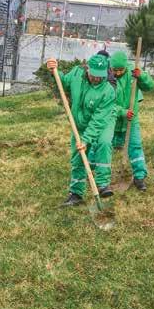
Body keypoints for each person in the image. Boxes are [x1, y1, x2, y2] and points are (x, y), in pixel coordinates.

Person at [47, 55, 116, 206]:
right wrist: (55, 72)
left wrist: (86, 140)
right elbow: (64, 83)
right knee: (78, 156)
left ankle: (102, 184)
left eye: (100, 76)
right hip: (79, 123)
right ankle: (76, 194)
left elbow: (98, 120)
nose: (97, 79)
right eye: (94, 75)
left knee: (103, 143)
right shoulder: (77, 73)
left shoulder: (108, 90)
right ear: (88, 69)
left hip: (102, 122)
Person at [110, 51, 154, 191]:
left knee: (135, 147)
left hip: (131, 119)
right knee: (101, 146)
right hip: (111, 119)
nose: (117, 73)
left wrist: (141, 76)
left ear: (125, 66)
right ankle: (97, 175)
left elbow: (150, 86)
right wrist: (122, 112)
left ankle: (139, 177)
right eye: (114, 70)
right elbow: (105, 103)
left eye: (120, 70)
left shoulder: (133, 72)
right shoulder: (106, 77)